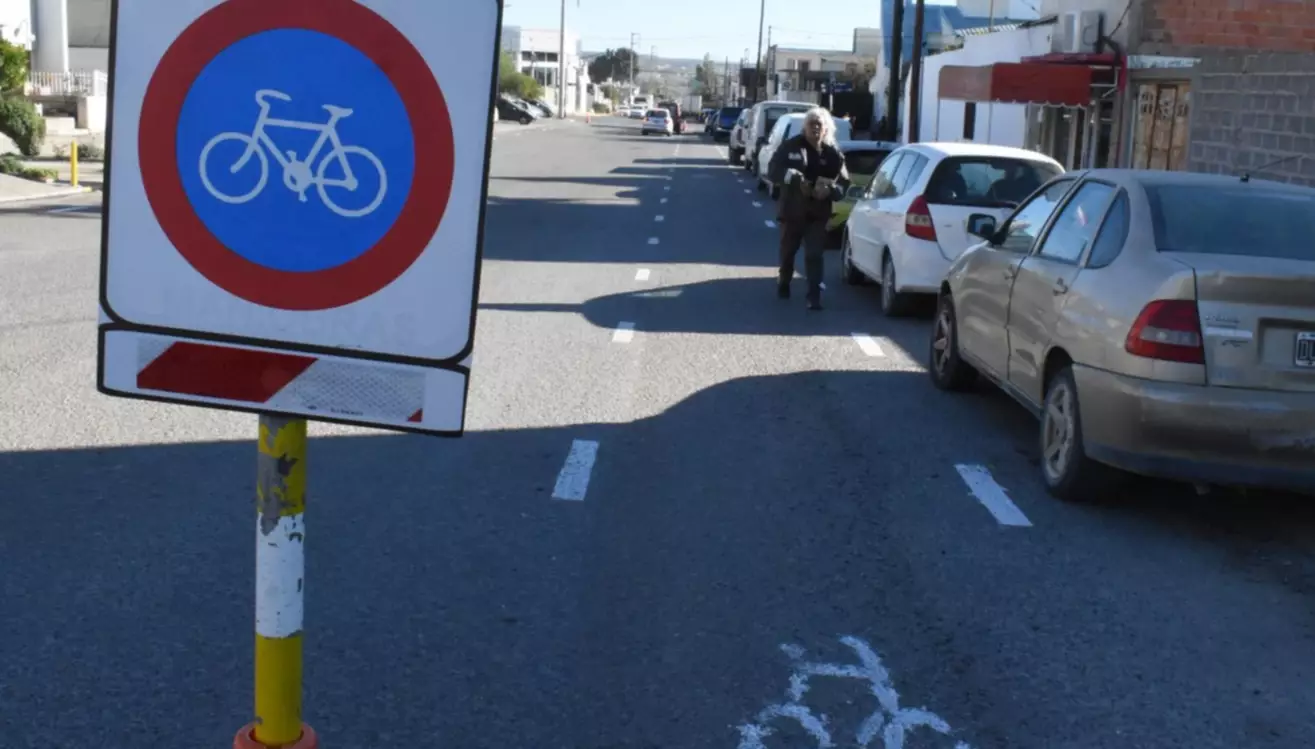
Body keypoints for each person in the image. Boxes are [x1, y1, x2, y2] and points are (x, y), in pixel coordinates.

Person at [767, 107, 849, 310]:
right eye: (812, 124)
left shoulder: (833, 154)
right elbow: (773, 171)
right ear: (804, 127)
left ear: (826, 129)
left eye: (819, 125)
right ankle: (784, 280)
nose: (815, 128)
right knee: (788, 252)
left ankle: (814, 296)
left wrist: (830, 190)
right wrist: (794, 179)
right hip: (792, 212)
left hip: (817, 214)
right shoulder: (790, 146)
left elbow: (844, 183)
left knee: (814, 254)